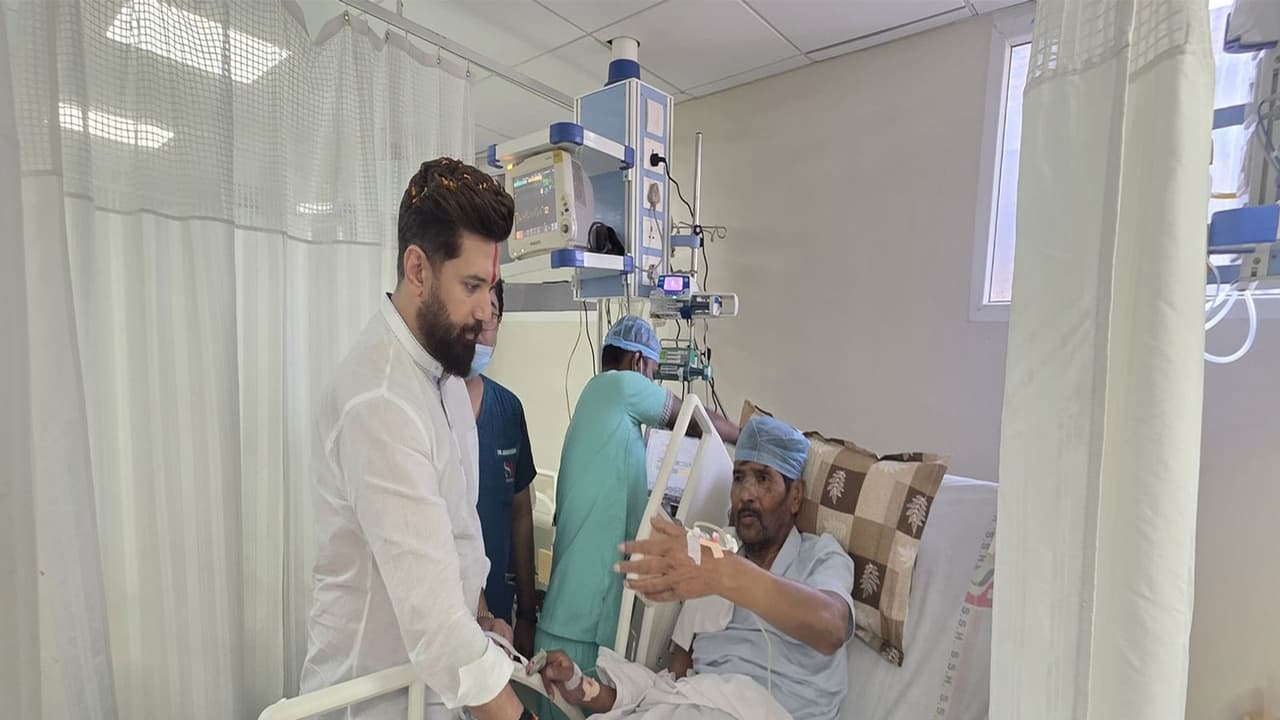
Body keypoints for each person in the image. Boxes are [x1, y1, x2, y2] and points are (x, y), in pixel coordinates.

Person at [300, 158, 532, 720]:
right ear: (418, 269)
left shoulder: (444, 375)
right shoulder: (379, 399)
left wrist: (485, 622)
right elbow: (432, 620)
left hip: (431, 691)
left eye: (491, 287)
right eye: (472, 286)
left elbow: (458, 534)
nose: (485, 310)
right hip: (372, 699)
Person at [539, 416, 856, 720]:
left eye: (763, 479)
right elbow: (675, 688)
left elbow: (831, 628)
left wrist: (726, 574)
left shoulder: (820, 556)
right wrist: (587, 690)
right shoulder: (713, 552)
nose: (746, 493)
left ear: (795, 497)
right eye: (739, 477)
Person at [534, 315, 742, 693]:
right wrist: (747, 436)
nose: (652, 383)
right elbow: (692, 415)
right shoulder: (618, 387)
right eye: (652, 371)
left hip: (574, 620)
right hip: (578, 628)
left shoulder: (604, 411)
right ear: (637, 363)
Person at [467, 278, 539, 657]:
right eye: (472, 313)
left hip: (500, 618)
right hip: (447, 611)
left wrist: (527, 613)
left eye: (491, 314)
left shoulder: (508, 410)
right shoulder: (428, 408)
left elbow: (521, 513)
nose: (480, 327)